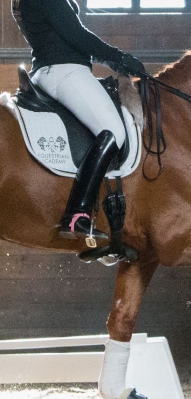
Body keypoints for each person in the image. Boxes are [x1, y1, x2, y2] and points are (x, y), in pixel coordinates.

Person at [12, 0, 145, 241]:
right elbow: (76, 35)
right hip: (64, 70)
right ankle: (77, 213)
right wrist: (118, 57)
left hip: (51, 70)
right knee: (114, 130)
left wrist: (112, 60)